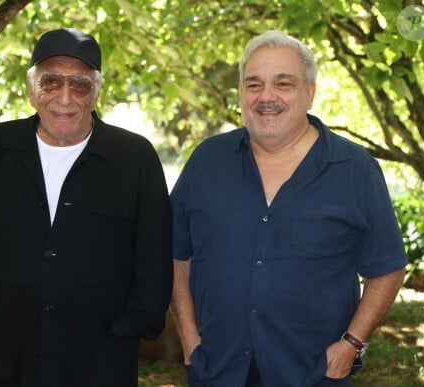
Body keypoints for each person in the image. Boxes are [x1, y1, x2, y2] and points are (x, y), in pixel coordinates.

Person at [170, 30, 408, 387]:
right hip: (217, 370)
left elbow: (388, 269)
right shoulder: (206, 161)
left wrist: (351, 345)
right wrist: (189, 340)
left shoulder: (355, 169)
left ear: (309, 93)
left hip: (313, 374)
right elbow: (177, 255)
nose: (266, 97)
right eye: (253, 85)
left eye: (283, 83)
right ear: (241, 93)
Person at [0, 28, 172, 387]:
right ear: (32, 90)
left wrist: (125, 336)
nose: (65, 98)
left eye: (79, 85)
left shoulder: (135, 158)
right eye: (51, 81)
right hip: (10, 360)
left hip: (104, 363)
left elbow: (155, 265)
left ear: (96, 93)